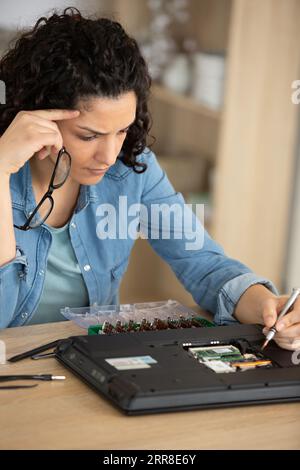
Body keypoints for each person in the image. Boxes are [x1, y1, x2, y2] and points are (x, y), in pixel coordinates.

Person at [0, 7, 299, 351]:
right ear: (36, 115)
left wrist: (267, 305)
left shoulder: (131, 168)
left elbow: (203, 262)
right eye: (88, 136)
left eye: (122, 130)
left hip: (86, 360)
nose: (109, 155)